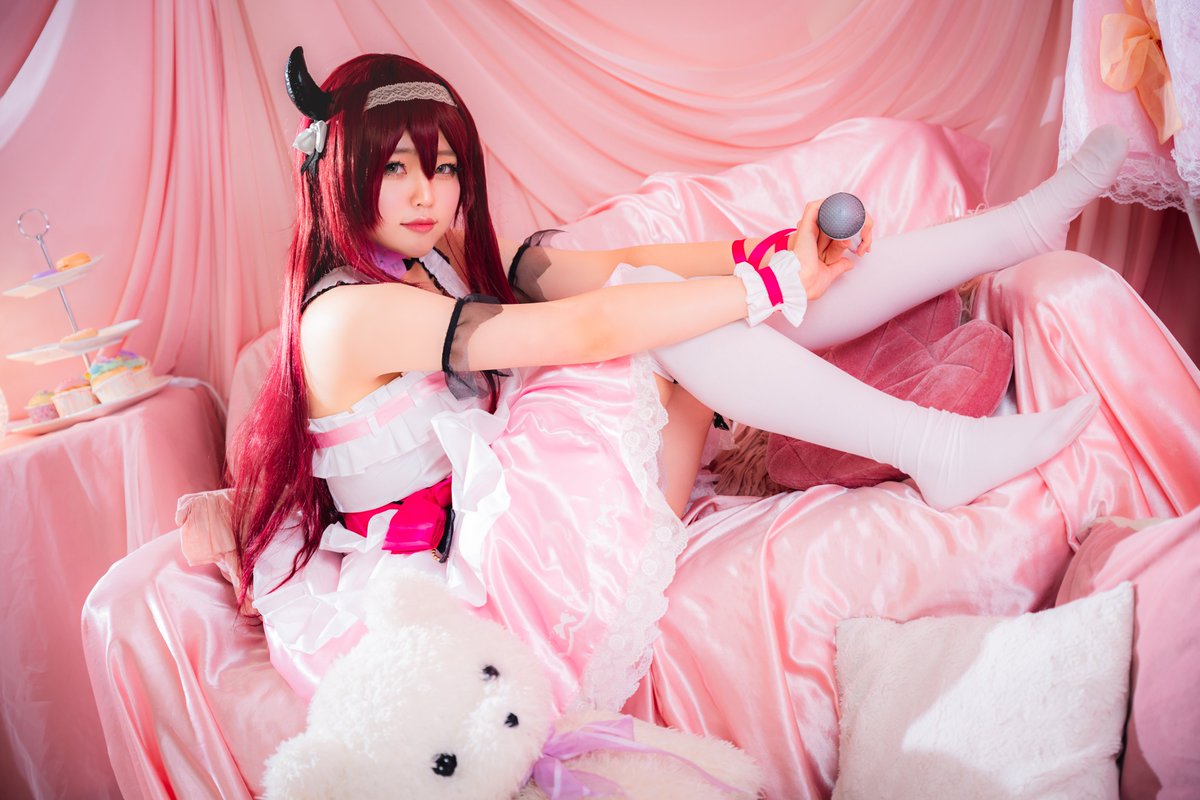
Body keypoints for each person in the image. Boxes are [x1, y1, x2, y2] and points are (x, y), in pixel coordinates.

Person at [231, 49, 1128, 706]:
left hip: (509, 522)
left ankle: (1015, 231)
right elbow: (585, 325)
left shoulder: (434, 261)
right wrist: (765, 284)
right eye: (395, 168)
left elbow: (606, 270)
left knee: (615, 279)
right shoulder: (345, 315)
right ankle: (936, 441)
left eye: (444, 167)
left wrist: (773, 256)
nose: (427, 193)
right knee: (655, 311)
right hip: (479, 597)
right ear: (339, 173)